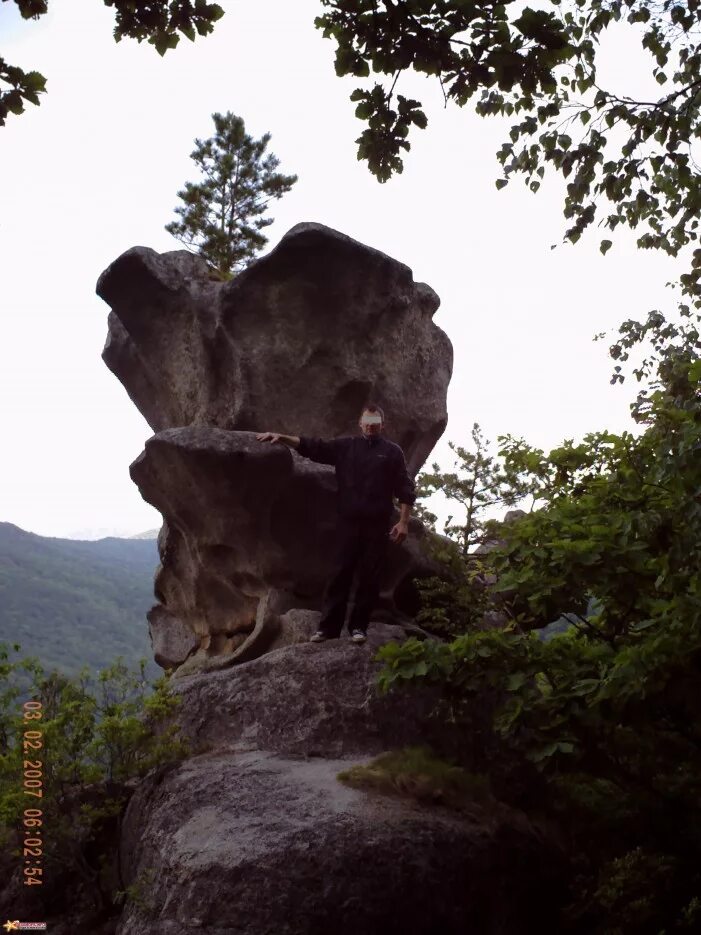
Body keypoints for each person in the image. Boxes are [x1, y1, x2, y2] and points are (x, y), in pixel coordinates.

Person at [255, 404, 416, 644]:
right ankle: (328, 628)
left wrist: (403, 522)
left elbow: (405, 488)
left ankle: (359, 627)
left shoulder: (392, 452)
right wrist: (283, 438)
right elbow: (314, 447)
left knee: (370, 577)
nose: (371, 425)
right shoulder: (345, 447)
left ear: (383, 425)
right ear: (360, 423)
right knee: (340, 573)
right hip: (347, 521)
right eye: (367, 420)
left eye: (375, 421)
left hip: (376, 524)